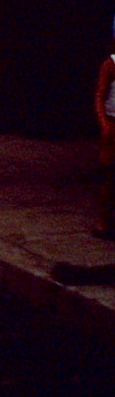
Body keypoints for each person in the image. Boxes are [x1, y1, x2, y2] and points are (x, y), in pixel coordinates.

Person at [94, 21, 115, 240]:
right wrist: (104, 123)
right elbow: (99, 96)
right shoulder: (110, 65)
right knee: (108, 175)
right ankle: (103, 221)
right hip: (112, 123)